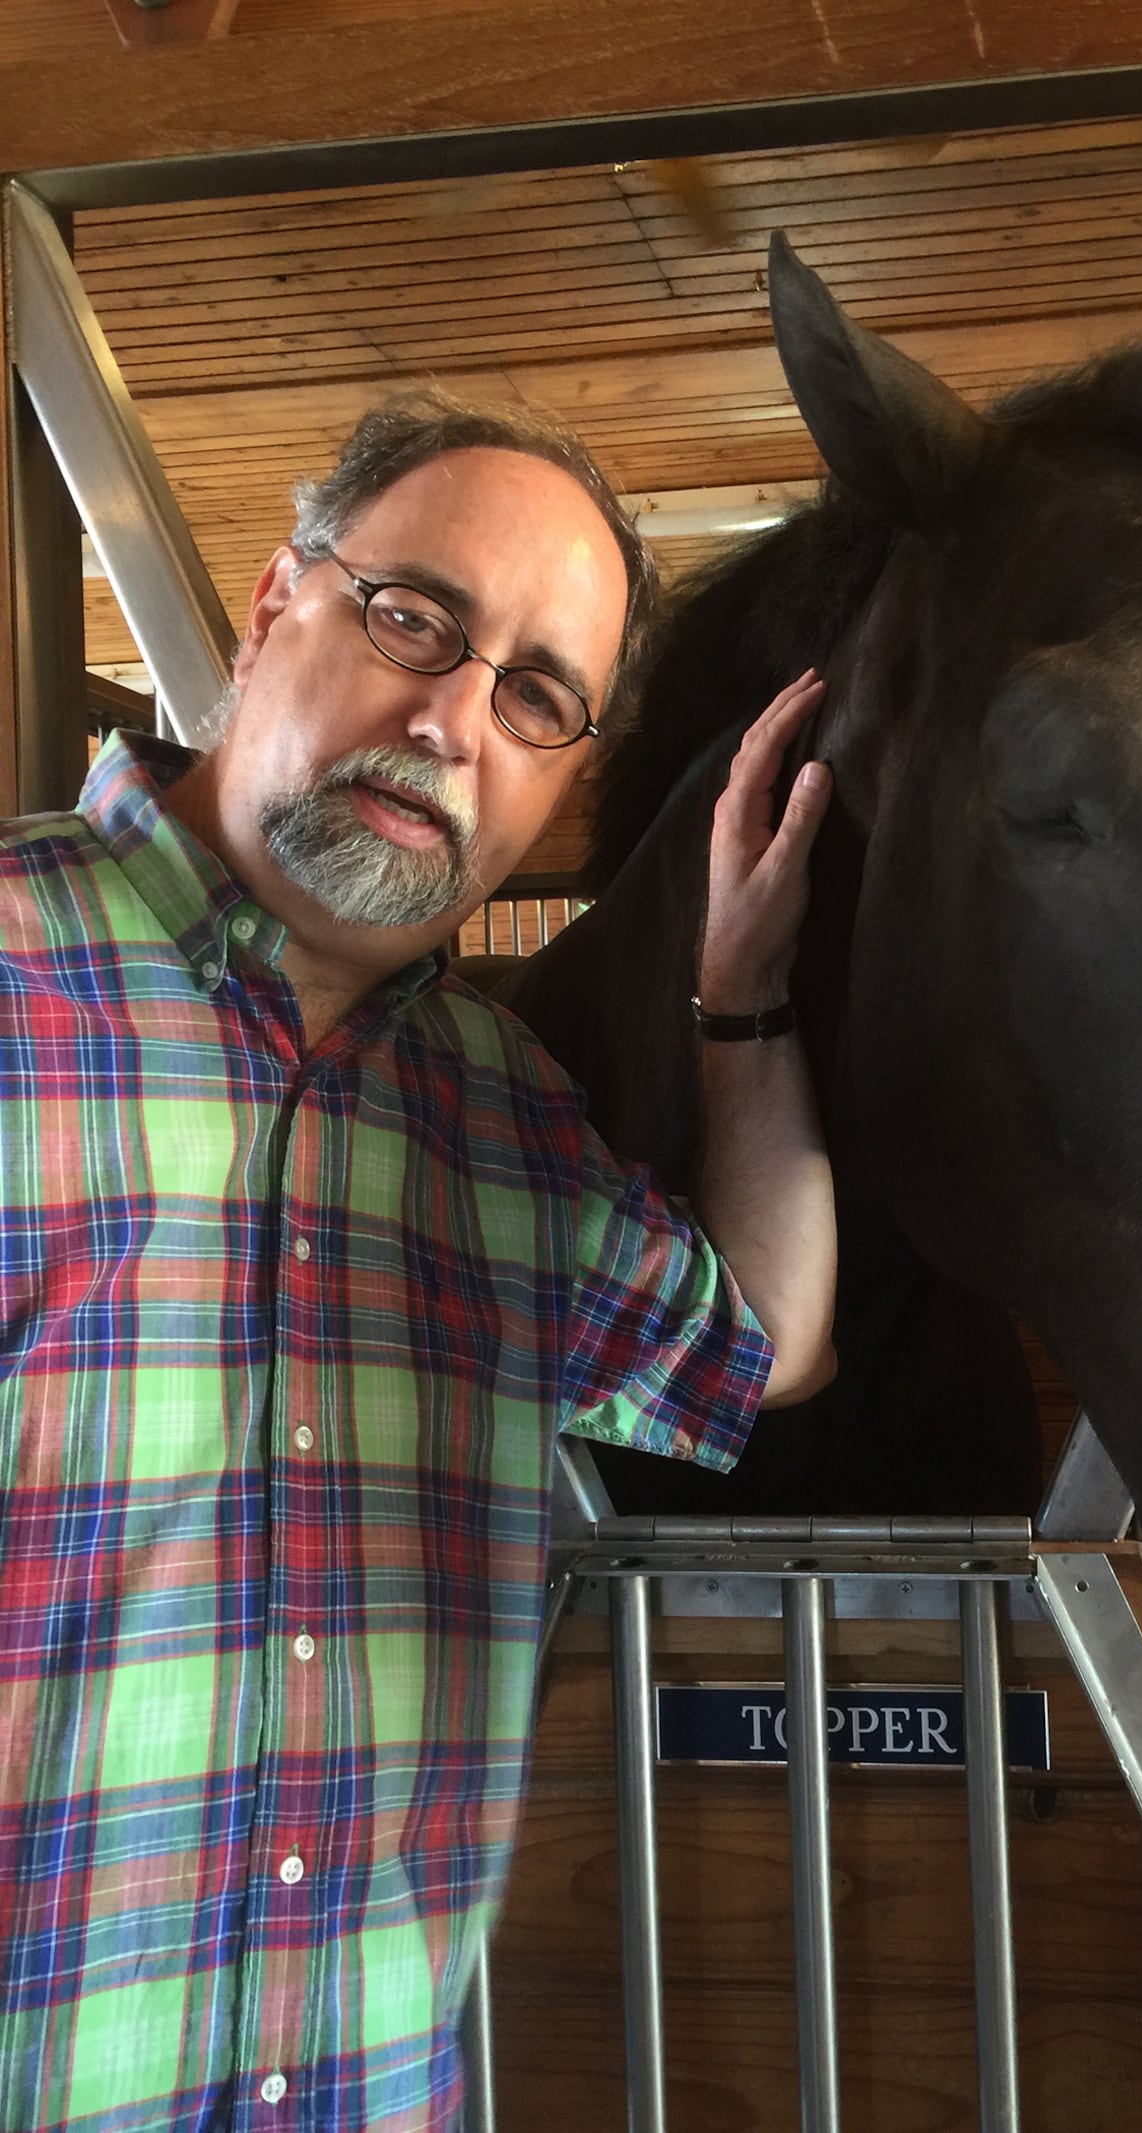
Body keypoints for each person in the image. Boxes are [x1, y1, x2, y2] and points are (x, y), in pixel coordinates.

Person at [0, 392, 836, 2132]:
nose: (453, 718)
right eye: (415, 620)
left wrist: (740, 1001)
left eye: (535, 692)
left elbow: (760, 1340)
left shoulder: (505, 1125)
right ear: (273, 602)